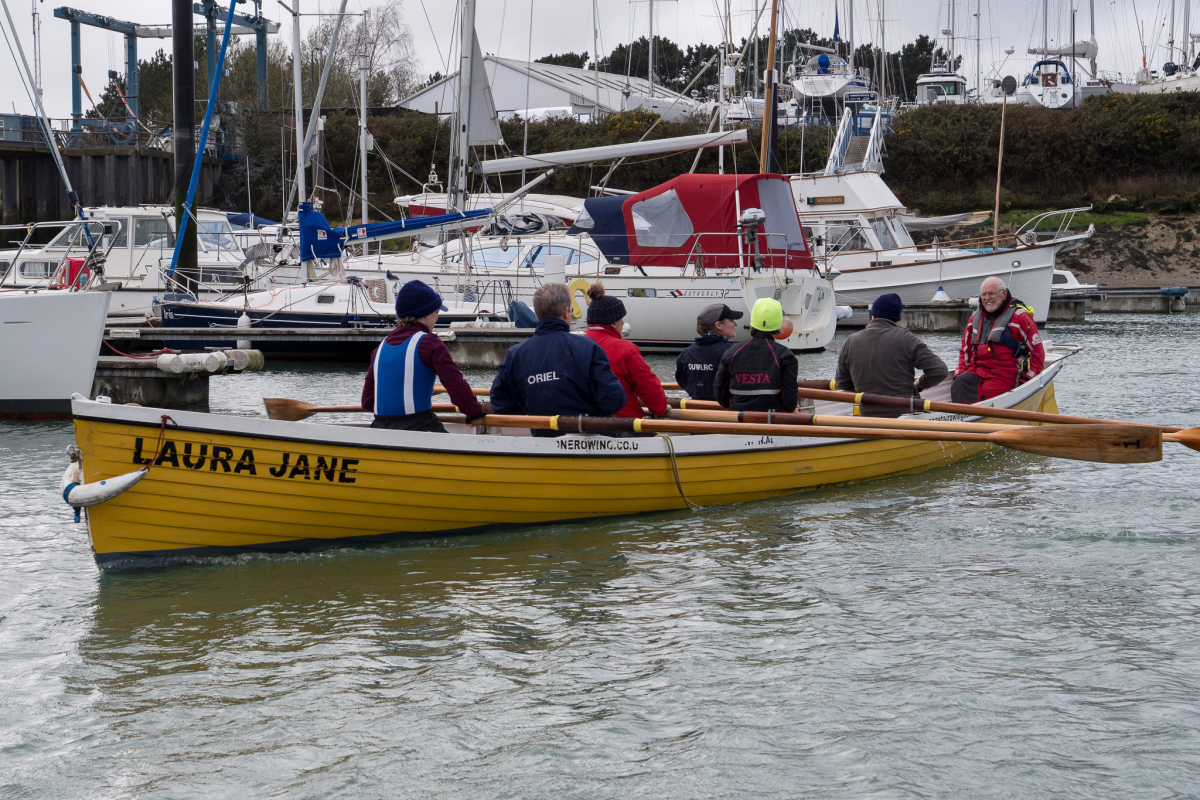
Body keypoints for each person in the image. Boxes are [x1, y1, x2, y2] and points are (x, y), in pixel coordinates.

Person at [489, 282, 626, 436]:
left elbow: (500, 403)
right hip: (594, 444)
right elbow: (614, 400)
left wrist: (531, 408)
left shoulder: (516, 354)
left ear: (537, 314)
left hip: (543, 443)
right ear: (566, 312)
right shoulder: (587, 347)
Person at [362, 279, 485, 432]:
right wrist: (474, 412)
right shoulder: (429, 343)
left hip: (379, 429)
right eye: (436, 312)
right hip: (418, 427)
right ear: (425, 315)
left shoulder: (380, 348)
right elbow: (456, 386)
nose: (437, 318)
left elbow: (367, 402)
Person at [834, 293, 949, 417]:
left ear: (873, 315)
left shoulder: (851, 341)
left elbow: (842, 383)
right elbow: (940, 371)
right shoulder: (907, 338)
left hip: (868, 416)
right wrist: (920, 384)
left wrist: (867, 393)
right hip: (906, 414)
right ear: (896, 318)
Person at [583, 282, 669, 419]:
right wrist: (660, 409)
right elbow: (647, 386)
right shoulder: (626, 349)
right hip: (623, 423)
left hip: (585, 422)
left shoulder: (575, 346)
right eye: (620, 319)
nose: (623, 323)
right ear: (612, 322)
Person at [954, 276, 1045, 403]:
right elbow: (965, 352)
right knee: (960, 384)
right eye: (984, 294)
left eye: (991, 293)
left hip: (1005, 376)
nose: (987, 298)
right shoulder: (974, 319)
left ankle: (976, 417)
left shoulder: (1020, 318)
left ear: (1004, 294)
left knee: (988, 397)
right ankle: (962, 418)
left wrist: (1025, 380)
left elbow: (1037, 354)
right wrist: (960, 374)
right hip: (976, 372)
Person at [713, 298, 798, 413]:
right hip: (772, 421)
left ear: (753, 322)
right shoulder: (785, 355)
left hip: (738, 420)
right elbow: (789, 403)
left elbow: (721, 396)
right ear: (778, 323)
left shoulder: (732, 353)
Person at [674, 303, 743, 400]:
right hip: (726, 412)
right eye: (731, 320)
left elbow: (682, 380)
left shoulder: (686, 354)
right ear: (719, 325)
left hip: (695, 411)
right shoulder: (734, 352)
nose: (736, 324)